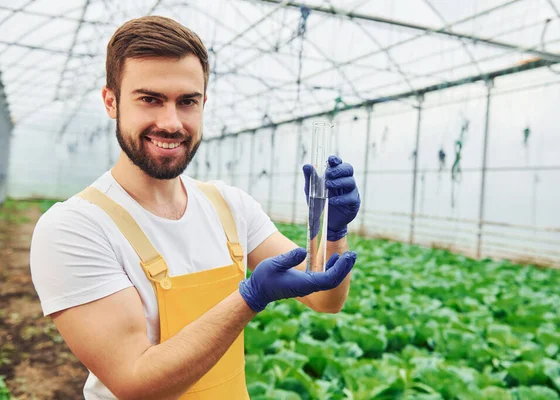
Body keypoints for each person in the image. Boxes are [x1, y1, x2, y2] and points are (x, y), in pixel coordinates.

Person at [29, 15, 361, 400]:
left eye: (187, 102)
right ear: (111, 102)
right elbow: (134, 382)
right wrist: (249, 298)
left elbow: (325, 297)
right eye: (150, 99)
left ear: (204, 103)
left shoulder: (229, 206)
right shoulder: (75, 226)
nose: (171, 123)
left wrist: (331, 233)